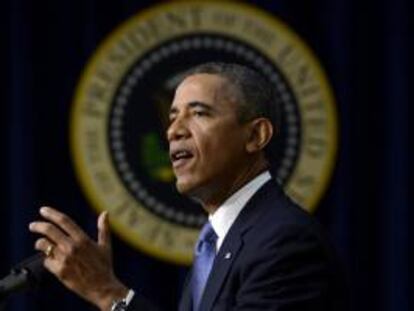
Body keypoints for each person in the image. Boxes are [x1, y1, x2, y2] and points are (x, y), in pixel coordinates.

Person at [29, 62, 347, 310]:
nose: (174, 131)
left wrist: (108, 293)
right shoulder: (217, 241)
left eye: (198, 113)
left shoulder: (285, 241)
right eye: (172, 117)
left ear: (255, 136)